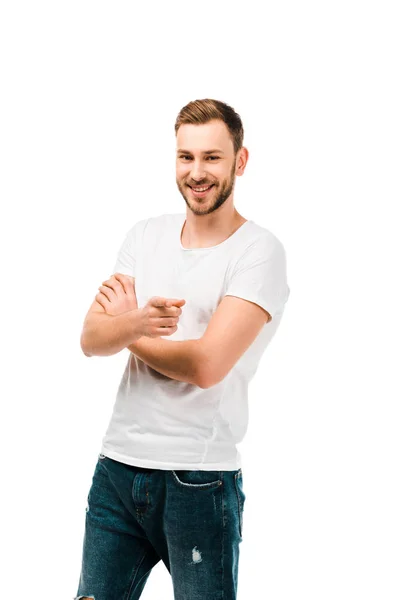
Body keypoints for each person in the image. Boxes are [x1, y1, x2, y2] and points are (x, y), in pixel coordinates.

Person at [74, 98, 290, 600]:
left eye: (212, 157)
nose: (197, 172)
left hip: (198, 479)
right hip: (116, 469)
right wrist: (135, 325)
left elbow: (206, 364)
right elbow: (89, 339)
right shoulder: (144, 235)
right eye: (185, 157)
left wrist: (129, 327)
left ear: (240, 161)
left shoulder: (259, 251)